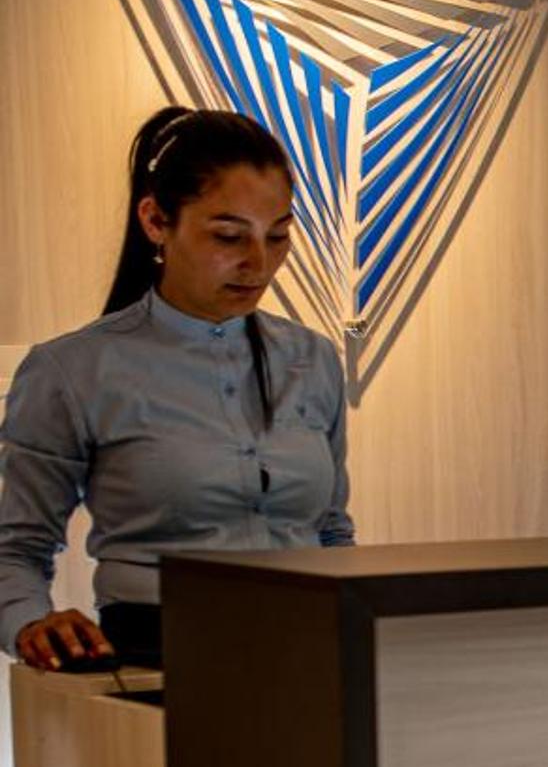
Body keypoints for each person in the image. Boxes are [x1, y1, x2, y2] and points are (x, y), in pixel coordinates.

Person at [0, 107, 354, 670]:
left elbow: (331, 531)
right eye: (228, 236)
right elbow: (15, 549)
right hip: (157, 663)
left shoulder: (312, 360)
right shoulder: (72, 371)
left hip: (312, 653)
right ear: (155, 220)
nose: (259, 263)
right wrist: (31, 623)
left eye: (278, 235)